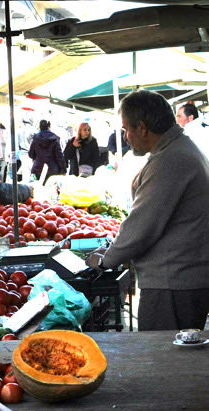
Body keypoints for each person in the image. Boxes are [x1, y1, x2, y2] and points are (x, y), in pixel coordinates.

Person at [85, 90, 209, 331]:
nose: (126, 137)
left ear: (142, 128)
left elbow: (142, 225)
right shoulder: (178, 150)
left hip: (173, 282)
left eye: (126, 130)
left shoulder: (170, 160)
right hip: (181, 278)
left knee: (163, 361)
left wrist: (105, 260)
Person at [28, 119, 65, 183]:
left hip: (37, 169)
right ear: (49, 127)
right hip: (52, 170)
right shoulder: (55, 138)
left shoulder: (36, 138)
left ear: (40, 127)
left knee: (36, 189)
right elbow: (59, 156)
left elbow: (31, 154)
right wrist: (63, 169)